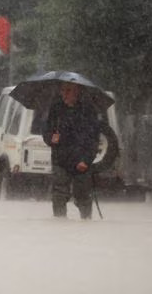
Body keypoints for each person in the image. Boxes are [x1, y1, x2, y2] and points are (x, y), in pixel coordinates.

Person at [42, 81, 101, 219]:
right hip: (60, 160)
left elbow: (94, 139)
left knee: (83, 195)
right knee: (59, 194)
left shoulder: (88, 110)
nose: (64, 94)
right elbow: (46, 130)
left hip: (81, 161)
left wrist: (86, 160)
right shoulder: (56, 108)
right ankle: (59, 223)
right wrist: (51, 138)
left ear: (77, 91)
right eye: (62, 91)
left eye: (68, 90)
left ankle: (86, 222)